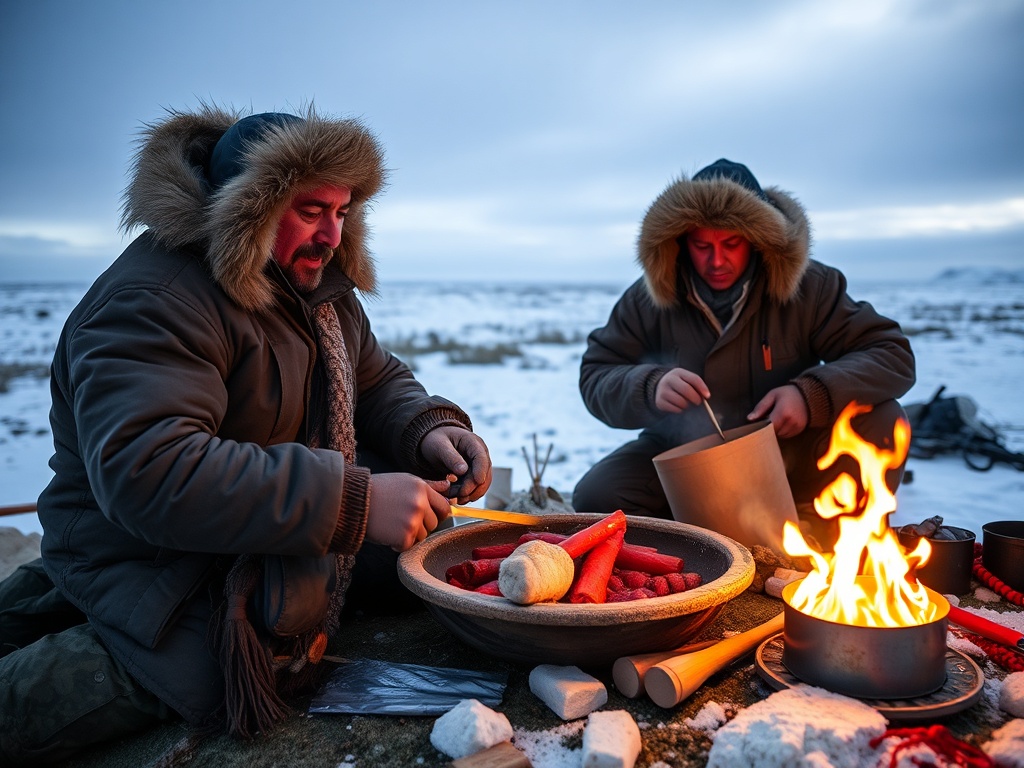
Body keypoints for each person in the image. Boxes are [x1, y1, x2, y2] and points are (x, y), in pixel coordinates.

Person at [0, 105, 492, 763]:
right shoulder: (155, 299)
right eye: (312, 210)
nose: (331, 234)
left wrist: (428, 430)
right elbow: (152, 470)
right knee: (191, 664)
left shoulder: (314, 284)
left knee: (427, 546)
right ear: (250, 207)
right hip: (158, 566)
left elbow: (373, 381)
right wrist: (354, 502)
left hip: (255, 536)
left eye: (343, 212)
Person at [573, 159, 915, 536]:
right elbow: (596, 374)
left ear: (756, 239)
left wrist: (811, 395)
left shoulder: (812, 287)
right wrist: (649, 386)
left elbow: (891, 354)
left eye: (731, 244)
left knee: (884, 419)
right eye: (701, 245)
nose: (716, 260)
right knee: (597, 495)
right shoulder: (648, 298)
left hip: (792, 456)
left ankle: (825, 543)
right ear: (681, 240)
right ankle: (700, 546)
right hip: (687, 457)